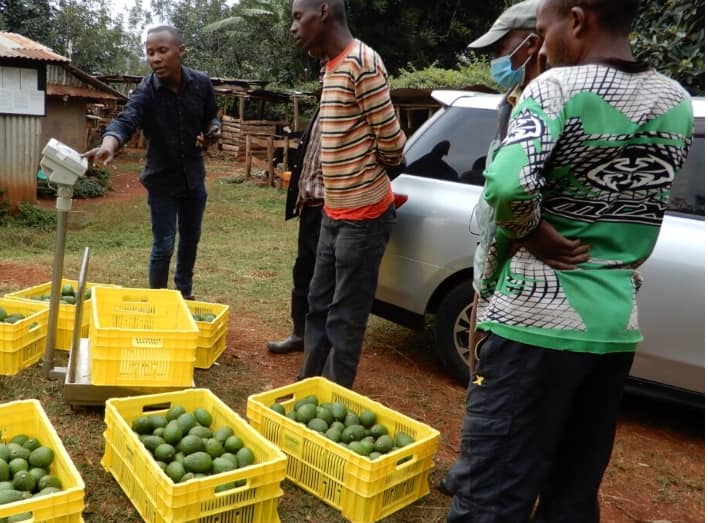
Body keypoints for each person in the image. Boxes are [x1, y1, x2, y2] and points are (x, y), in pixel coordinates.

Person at [446, 0, 693, 521]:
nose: (543, 43)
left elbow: (508, 186)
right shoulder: (676, 102)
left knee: (492, 495)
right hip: (613, 325)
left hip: (537, 324)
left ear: (576, 20)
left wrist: (530, 230)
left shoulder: (556, 87)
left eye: (544, 29)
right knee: (572, 492)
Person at [289, 0, 407, 388]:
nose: (293, 27)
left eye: (296, 17)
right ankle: (309, 389)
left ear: (322, 11)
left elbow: (392, 143)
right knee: (318, 304)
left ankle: (334, 400)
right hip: (333, 213)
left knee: (345, 316)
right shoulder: (330, 67)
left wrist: (365, 176)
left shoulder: (363, 62)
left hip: (365, 216)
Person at [85, 26, 220, 300]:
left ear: (180, 52)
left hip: (193, 178)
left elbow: (211, 116)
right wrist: (109, 144)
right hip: (161, 181)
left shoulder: (202, 84)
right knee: (165, 244)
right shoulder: (146, 91)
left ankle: (184, 295)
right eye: (150, 53)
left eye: (162, 51)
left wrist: (213, 129)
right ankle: (158, 301)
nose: (155, 58)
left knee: (190, 240)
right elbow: (126, 119)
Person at [466, 0, 548, 375]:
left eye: (501, 49)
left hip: (521, 273)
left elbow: (512, 192)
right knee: (479, 364)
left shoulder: (551, 109)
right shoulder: (510, 104)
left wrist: (529, 234)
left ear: (531, 44)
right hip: (491, 260)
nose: (496, 60)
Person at [267, 64, 327, 354]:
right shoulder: (321, 108)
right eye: (322, 72)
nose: (323, 77)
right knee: (303, 269)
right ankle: (299, 334)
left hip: (332, 209)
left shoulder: (349, 111)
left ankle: (319, 342)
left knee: (324, 277)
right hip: (311, 207)